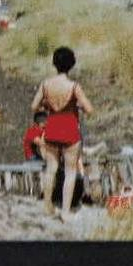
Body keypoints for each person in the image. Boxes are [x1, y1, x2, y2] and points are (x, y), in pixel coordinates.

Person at [31, 46, 95, 220]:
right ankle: (66, 212)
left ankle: (48, 206)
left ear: (54, 63)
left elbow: (33, 106)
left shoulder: (46, 84)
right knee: (70, 172)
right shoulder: (74, 86)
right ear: (71, 64)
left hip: (52, 127)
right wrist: (77, 106)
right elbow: (89, 109)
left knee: (51, 169)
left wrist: (47, 106)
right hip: (70, 129)